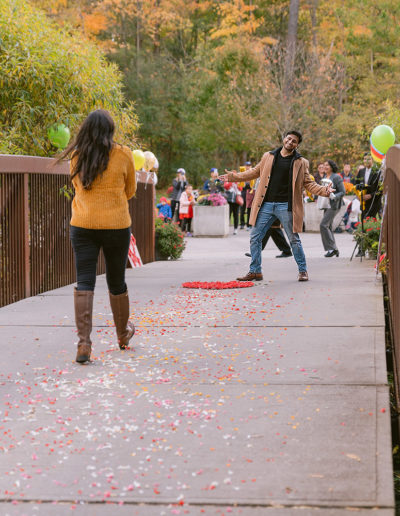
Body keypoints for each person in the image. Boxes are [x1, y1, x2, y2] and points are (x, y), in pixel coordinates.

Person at [57, 109, 136, 363]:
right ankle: (123, 335)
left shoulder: (77, 156)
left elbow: (77, 186)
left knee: (85, 281)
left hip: (83, 225)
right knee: (116, 281)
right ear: (110, 131)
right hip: (116, 226)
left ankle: (84, 344)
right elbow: (131, 190)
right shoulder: (123, 154)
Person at [218, 131, 332, 282]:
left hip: (286, 205)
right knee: (255, 237)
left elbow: (308, 183)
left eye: (294, 141)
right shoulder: (269, 156)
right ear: (284, 139)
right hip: (266, 204)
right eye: (289, 138)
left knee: (293, 239)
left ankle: (303, 271)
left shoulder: (301, 162)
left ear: (297, 145)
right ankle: (255, 271)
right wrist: (233, 177)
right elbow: (254, 172)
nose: (290, 142)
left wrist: (324, 190)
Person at [319, 160, 345, 257]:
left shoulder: (336, 177)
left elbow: (343, 191)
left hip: (334, 205)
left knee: (323, 225)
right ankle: (334, 249)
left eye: (327, 165)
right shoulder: (325, 177)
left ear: (332, 166)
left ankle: (332, 248)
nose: (325, 167)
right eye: (324, 165)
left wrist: (334, 196)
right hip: (326, 204)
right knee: (328, 227)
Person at [355, 153, 382, 219]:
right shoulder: (361, 171)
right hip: (363, 202)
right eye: (364, 159)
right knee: (363, 221)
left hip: (374, 202)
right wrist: (358, 195)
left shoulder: (378, 172)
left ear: (372, 160)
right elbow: (356, 185)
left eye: (368, 159)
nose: (366, 161)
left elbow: (381, 189)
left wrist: (370, 195)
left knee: (372, 222)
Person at [239, 162, 252, 229]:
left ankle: (249, 224)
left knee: (249, 208)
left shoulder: (253, 173)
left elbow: (253, 184)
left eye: (249, 166)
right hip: (243, 192)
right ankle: (242, 223)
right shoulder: (242, 173)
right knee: (242, 208)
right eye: (247, 166)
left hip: (250, 192)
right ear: (245, 166)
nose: (248, 167)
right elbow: (240, 184)